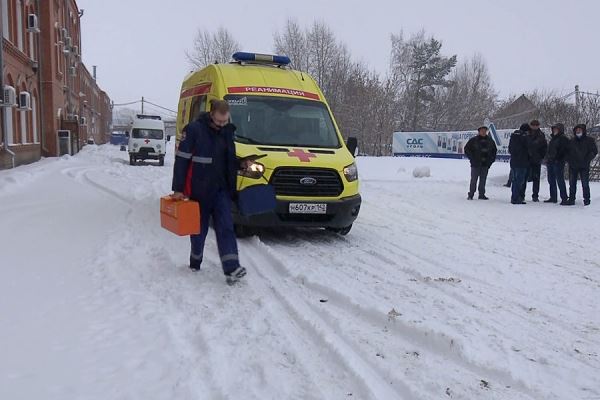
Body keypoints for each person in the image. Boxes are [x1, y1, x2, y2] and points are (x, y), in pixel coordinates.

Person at [171, 99, 247, 285]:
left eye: (225, 121)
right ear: (211, 113)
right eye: (219, 121)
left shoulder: (228, 132)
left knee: (226, 227)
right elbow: (181, 160)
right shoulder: (194, 130)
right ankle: (195, 261)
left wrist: (241, 164)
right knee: (199, 230)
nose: (222, 125)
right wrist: (178, 189)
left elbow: (227, 160)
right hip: (199, 190)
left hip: (221, 190)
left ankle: (232, 269)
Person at [564, 124, 598, 206]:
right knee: (572, 184)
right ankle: (571, 199)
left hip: (584, 166)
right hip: (573, 166)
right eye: (577, 130)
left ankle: (587, 200)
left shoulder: (589, 140)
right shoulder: (571, 141)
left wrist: (587, 160)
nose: (578, 131)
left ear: (583, 131)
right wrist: (570, 161)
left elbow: (594, 151)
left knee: (585, 184)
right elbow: (566, 153)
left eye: (580, 130)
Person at [464, 125, 497, 200]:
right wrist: (472, 159)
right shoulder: (473, 140)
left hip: (485, 164)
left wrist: (490, 161)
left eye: (485, 130)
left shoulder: (490, 141)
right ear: (479, 131)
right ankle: (471, 194)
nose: (483, 132)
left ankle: (481, 194)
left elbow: (494, 152)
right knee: (473, 180)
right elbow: (466, 149)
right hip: (475, 164)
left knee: (483, 180)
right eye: (482, 130)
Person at [523, 120, 548, 202]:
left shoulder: (541, 135)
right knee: (524, 178)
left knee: (536, 178)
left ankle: (535, 195)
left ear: (538, 125)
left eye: (536, 125)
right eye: (533, 125)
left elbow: (544, 147)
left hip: (536, 159)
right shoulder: (526, 133)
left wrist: (541, 156)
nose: (534, 126)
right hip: (527, 159)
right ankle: (521, 194)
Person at [544, 123, 569, 204]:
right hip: (550, 161)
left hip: (558, 162)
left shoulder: (563, 139)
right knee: (551, 180)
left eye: (556, 129)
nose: (555, 130)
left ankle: (564, 198)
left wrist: (558, 159)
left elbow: (564, 151)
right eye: (554, 129)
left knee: (560, 180)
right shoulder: (553, 139)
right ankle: (553, 197)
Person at [508, 124, 531, 204]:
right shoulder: (525, 137)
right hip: (522, 162)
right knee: (520, 181)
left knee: (514, 180)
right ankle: (516, 198)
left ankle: (514, 196)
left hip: (514, 162)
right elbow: (529, 148)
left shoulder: (513, 137)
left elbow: (510, 149)